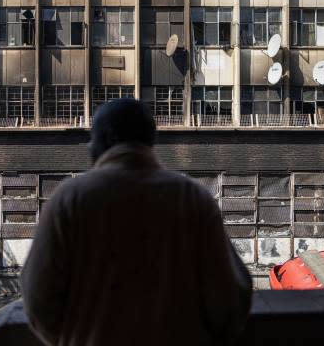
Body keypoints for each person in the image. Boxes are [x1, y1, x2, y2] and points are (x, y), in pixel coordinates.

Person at [20, 99, 253, 346]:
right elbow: (230, 299)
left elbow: (37, 299)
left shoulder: (68, 200)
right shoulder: (192, 198)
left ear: (107, 138)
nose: (89, 146)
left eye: (92, 136)